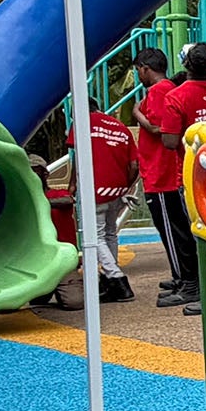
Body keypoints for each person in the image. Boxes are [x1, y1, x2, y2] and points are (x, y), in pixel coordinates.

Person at [158, 43, 206, 314]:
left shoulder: (176, 96)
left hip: (195, 175)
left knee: (200, 232)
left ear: (186, 65)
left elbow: (170, 141)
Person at [131, 48, 200, 309]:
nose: (138, 75)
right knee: (173, 229)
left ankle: (186, 280)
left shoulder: (160, 91)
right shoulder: (165, 90)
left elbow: (162, 128)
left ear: (145, 68)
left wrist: (138, 114)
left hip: (162, 174)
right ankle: (181, 275)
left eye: (138, 70)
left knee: (173, 230)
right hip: (160, 172)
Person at [84, 107, 139, 303]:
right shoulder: (120, 127)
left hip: (96, 188)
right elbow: (134, 165)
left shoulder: (84, 121)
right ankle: (110, 277)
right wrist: (125, 186)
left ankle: (116, 278)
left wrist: (74, 183)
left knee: (96, 236)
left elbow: (79, 156)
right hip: (117, 188)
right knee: (110, 233)